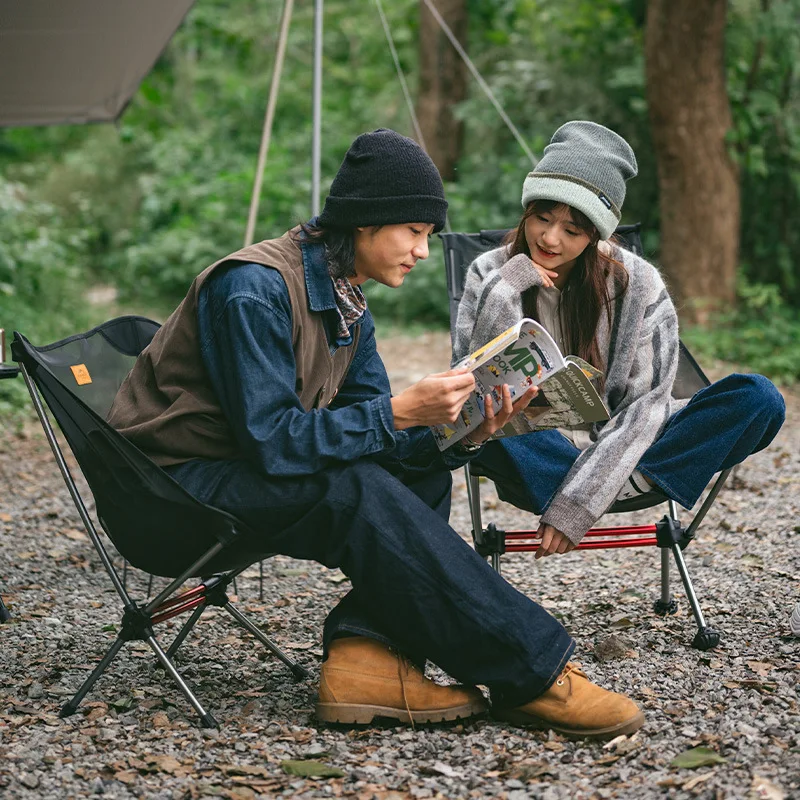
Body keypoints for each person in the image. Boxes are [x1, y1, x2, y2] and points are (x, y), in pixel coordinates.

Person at [108, 128, 644, 739]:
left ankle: (366, 661)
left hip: (231, 475)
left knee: (415, 466)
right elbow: (275, 441)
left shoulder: (346, 300)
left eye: (428, 237)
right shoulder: (252, 290)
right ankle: (534, 674)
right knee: (355, 490)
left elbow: (377, 432)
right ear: (366, 222)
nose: (421, 251)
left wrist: (462, 433)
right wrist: (398, 412)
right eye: (414, 232)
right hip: (167, 497)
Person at [453, 121, 786, 558]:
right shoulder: (488, 271)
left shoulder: (639, 284)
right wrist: (505, 289)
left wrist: (580, 502)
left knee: (760, 398)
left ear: (596, 235)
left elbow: (647, 404)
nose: (550, 238)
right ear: (526, 210)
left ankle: (592, 486)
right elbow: (470, 387)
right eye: (542, 218)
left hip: (623, 438)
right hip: (533, 443)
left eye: (572, 230)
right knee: (486, 422)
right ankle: (614, 483)